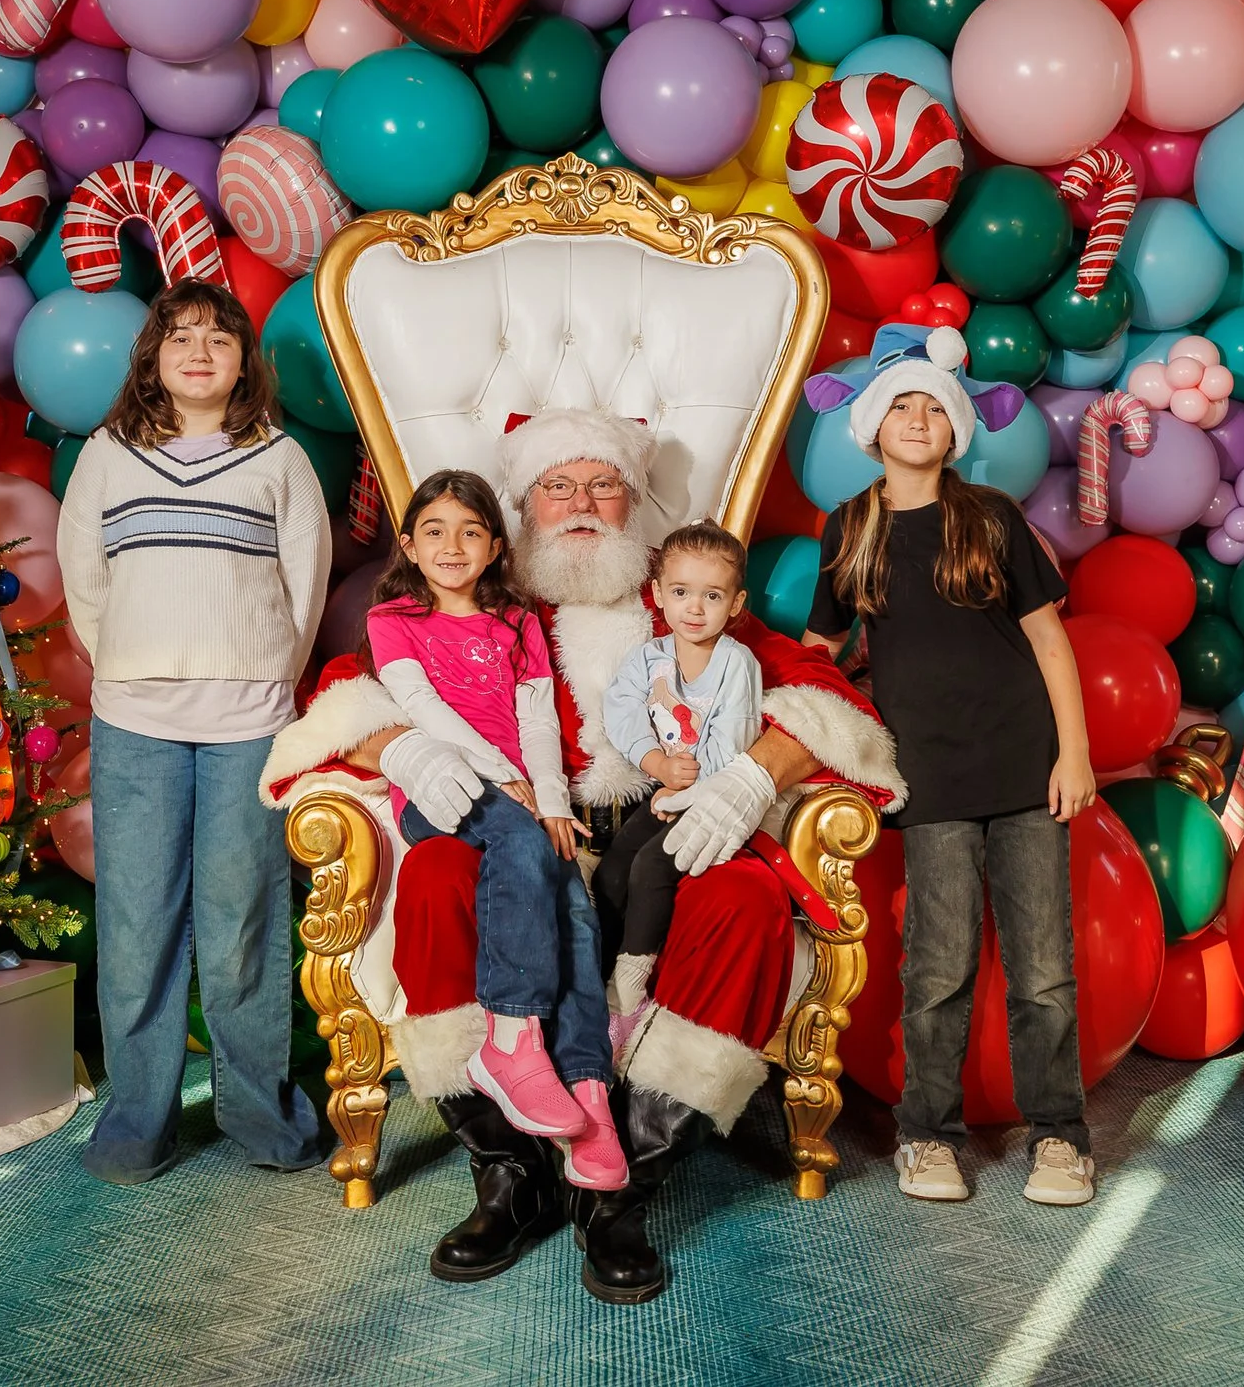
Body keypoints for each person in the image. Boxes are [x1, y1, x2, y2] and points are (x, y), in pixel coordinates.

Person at [262, 407, 906, 1304]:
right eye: (556, 485)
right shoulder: (486, 597)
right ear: (521, 509)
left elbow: (821, 690)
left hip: (662, 821)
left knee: (745, 901)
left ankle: (622, 1184)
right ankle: (509, 1170)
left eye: (603, 484)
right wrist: (398, 746)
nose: (580, 504)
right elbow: (349, 685)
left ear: (632, 499)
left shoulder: (683, 589)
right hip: (521, 821)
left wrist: (753, 776)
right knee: (441, 874)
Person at [800, 323, 1101, 1209]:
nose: (918, 419)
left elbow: (1049, 642)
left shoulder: (992, 518)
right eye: (901, 406)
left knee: (1044, 970)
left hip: (1025, 768)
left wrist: (1075, 753)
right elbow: (820, 649)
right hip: (926, 779)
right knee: (938, 966)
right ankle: (926, 1135)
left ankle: (1060, 1136)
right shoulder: (850, 528)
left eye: (934, 408)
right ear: (871, 426)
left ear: (957, 429)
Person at [56, 279, 332, 1185]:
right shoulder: (109, 455)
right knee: (137, 924)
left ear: (245, 361)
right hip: (135, 717)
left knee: (241, 917)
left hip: (249, 717)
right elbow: (84, 577)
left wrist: (265, 675)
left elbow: (305, 588)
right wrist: (129, 662)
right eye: (181, 338)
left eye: (219, 338)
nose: (200, 352)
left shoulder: (280, 458)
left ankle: (261, 1113)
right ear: (154, 359)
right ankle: (140, 1122)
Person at [363, 468, 628, 1188]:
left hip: (520, 793)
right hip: (442, 790)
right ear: (409, 546)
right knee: (519, 838)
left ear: (496, 546)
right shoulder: (393, 621)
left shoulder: (517, 622)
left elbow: (537, 722)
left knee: (573, 903)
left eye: (471, 532)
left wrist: (551, 802)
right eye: (434, 531)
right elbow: (424, 710)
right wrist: (501, 779)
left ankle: (588, 1089)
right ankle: (510, 1041)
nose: (452, 546)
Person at [596, 520, 764, 1053]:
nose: (695, 608)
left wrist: (683, 791)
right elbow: (621, 710)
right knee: (614, 866)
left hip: (713, 801)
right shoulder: (648, 659)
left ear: (735, 603)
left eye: (712, 596)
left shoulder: (736, 664)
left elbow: (733, 741)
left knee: (651, 866)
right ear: (658, 594)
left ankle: (629, 993)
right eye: (681, 592)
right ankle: (597, 976)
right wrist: (656, 764)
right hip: (665, 790)